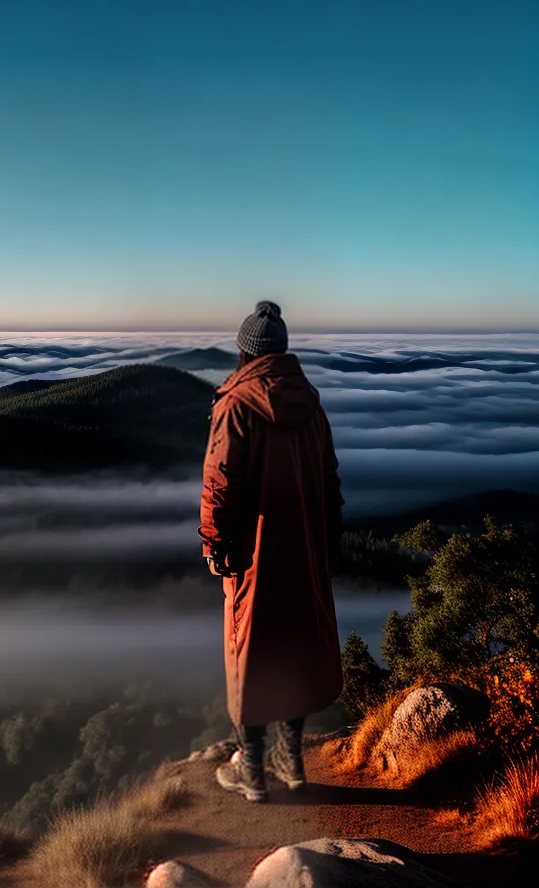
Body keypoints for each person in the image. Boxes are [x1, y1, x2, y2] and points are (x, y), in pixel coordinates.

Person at [199, 301, 343, 803]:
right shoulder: (311, 403)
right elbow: (329, 477)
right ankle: (293, 760)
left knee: (249, 652)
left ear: (245, 352)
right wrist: (330, 540)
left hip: (253, 555)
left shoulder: (236, 405)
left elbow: (220, 484)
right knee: (295, 647)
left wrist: (215, 544)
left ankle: (253, 770)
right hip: (305, 549)